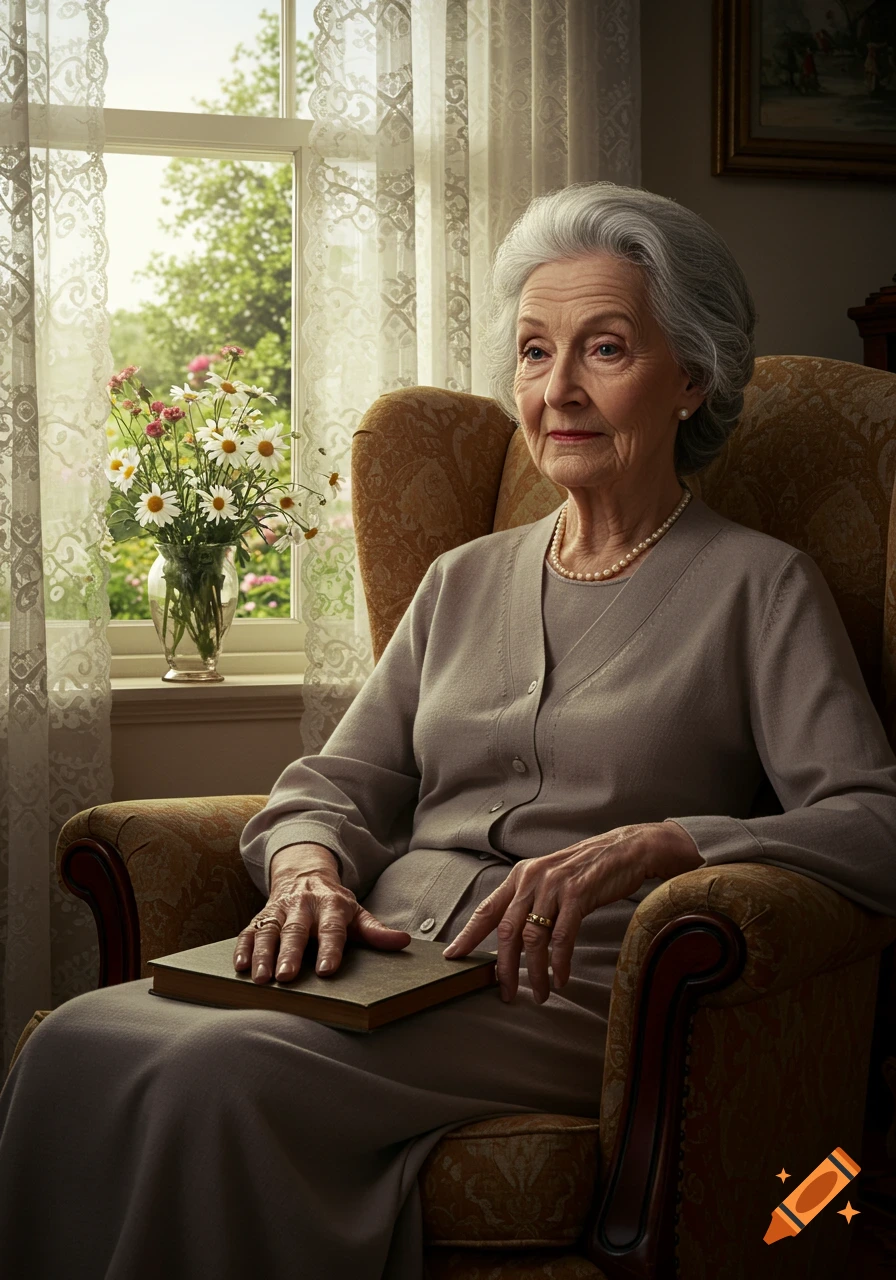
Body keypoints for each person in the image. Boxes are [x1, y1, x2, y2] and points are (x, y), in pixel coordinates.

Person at [3, 182, 896, 1278]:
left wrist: (677, 840)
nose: (556, 389)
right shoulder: (460, 579)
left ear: (691, 378)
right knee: (74, 1043)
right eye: (532, 351)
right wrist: (306, 874)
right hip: (377, 960)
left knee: (210, 1074)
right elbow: (336, 780)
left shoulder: (761, 588)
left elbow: (871, 821)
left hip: (559, 992)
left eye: (602, 349)